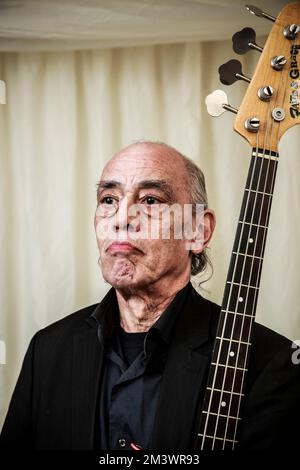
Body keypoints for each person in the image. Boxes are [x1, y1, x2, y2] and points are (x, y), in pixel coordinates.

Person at [0, 141, 299, 450]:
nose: (121, 218)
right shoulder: (48, 349)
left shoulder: (271, 363)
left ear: (198, 230)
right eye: (108, 199)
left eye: (151, 200)